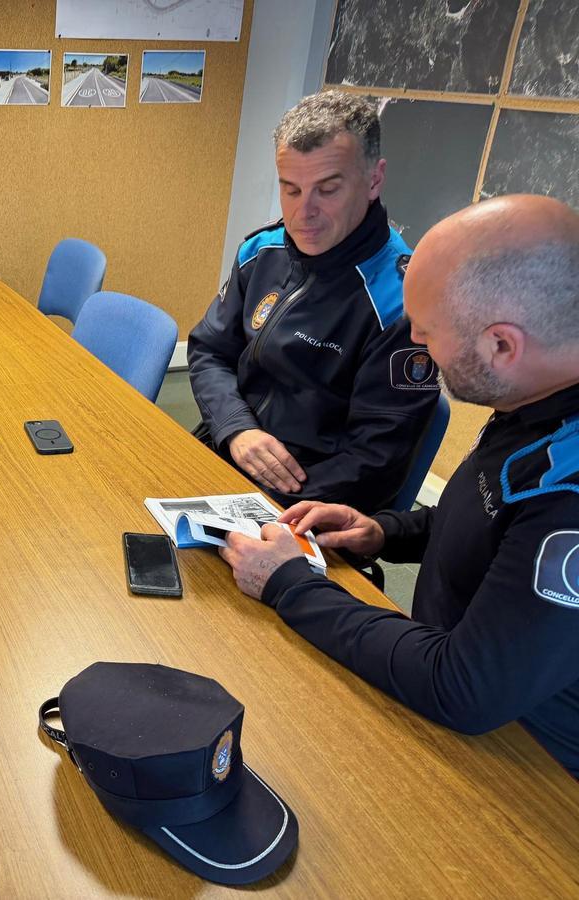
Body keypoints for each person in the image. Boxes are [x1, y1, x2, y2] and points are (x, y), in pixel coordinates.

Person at [218, 194, 579, 776]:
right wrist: (382, 531)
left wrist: (288, 584)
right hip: (435, 690)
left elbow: (462, 689)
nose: (413, 341)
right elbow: (488, 527)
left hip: (523, 770)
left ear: (502, 345)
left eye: (428, 332)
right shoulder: (539, 397)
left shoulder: (570, 491)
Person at [187, 90, 439, 513]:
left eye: (327, 190)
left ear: (374, 180)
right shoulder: (261, 251)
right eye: (291, 189)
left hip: (306, 499)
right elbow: (209, 350)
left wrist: (265, 502)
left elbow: (375, 464)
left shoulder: (403, 304)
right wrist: (235, 428)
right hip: (229, 449)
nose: (304, 213)